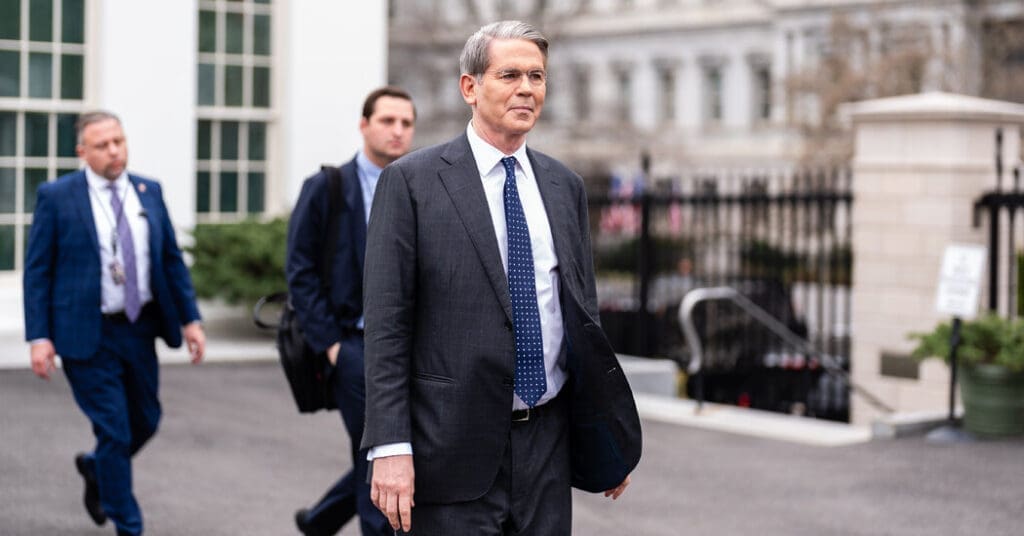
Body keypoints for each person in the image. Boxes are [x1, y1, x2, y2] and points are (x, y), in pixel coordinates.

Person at [362, 21, 642, 535]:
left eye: (536, 76)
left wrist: (607, 435)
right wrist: (390, 446)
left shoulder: (564, 187)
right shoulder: (412, 183)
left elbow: (582, 321)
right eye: (509, 74)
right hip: (449, 447)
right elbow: (386, 325)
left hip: (548, 446)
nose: (526, 89)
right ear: (470, 87)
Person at [23, 111, 206, 536]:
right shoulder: (57, 196)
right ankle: (129, 525)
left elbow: (170, 261)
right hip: (85, 332)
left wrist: (190, 320)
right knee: (115, 429)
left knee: (146, 420)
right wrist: (39, 336)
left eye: (119, 142)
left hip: (140, 327)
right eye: (102, 145)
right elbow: (38, 271)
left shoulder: (149, 190)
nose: (113, 151)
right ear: (82, 152)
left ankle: (95, 467)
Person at [287, 86, 416, 536]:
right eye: (387, 121)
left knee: (391, 449)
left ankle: (320, 520)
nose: (397, 131)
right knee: (381, 453)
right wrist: (333, 347)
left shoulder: (419, 184)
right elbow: (299, 271)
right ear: (365, 125)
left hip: (413, 347)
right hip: (354, 345)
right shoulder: (328, 187)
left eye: (405, 123)